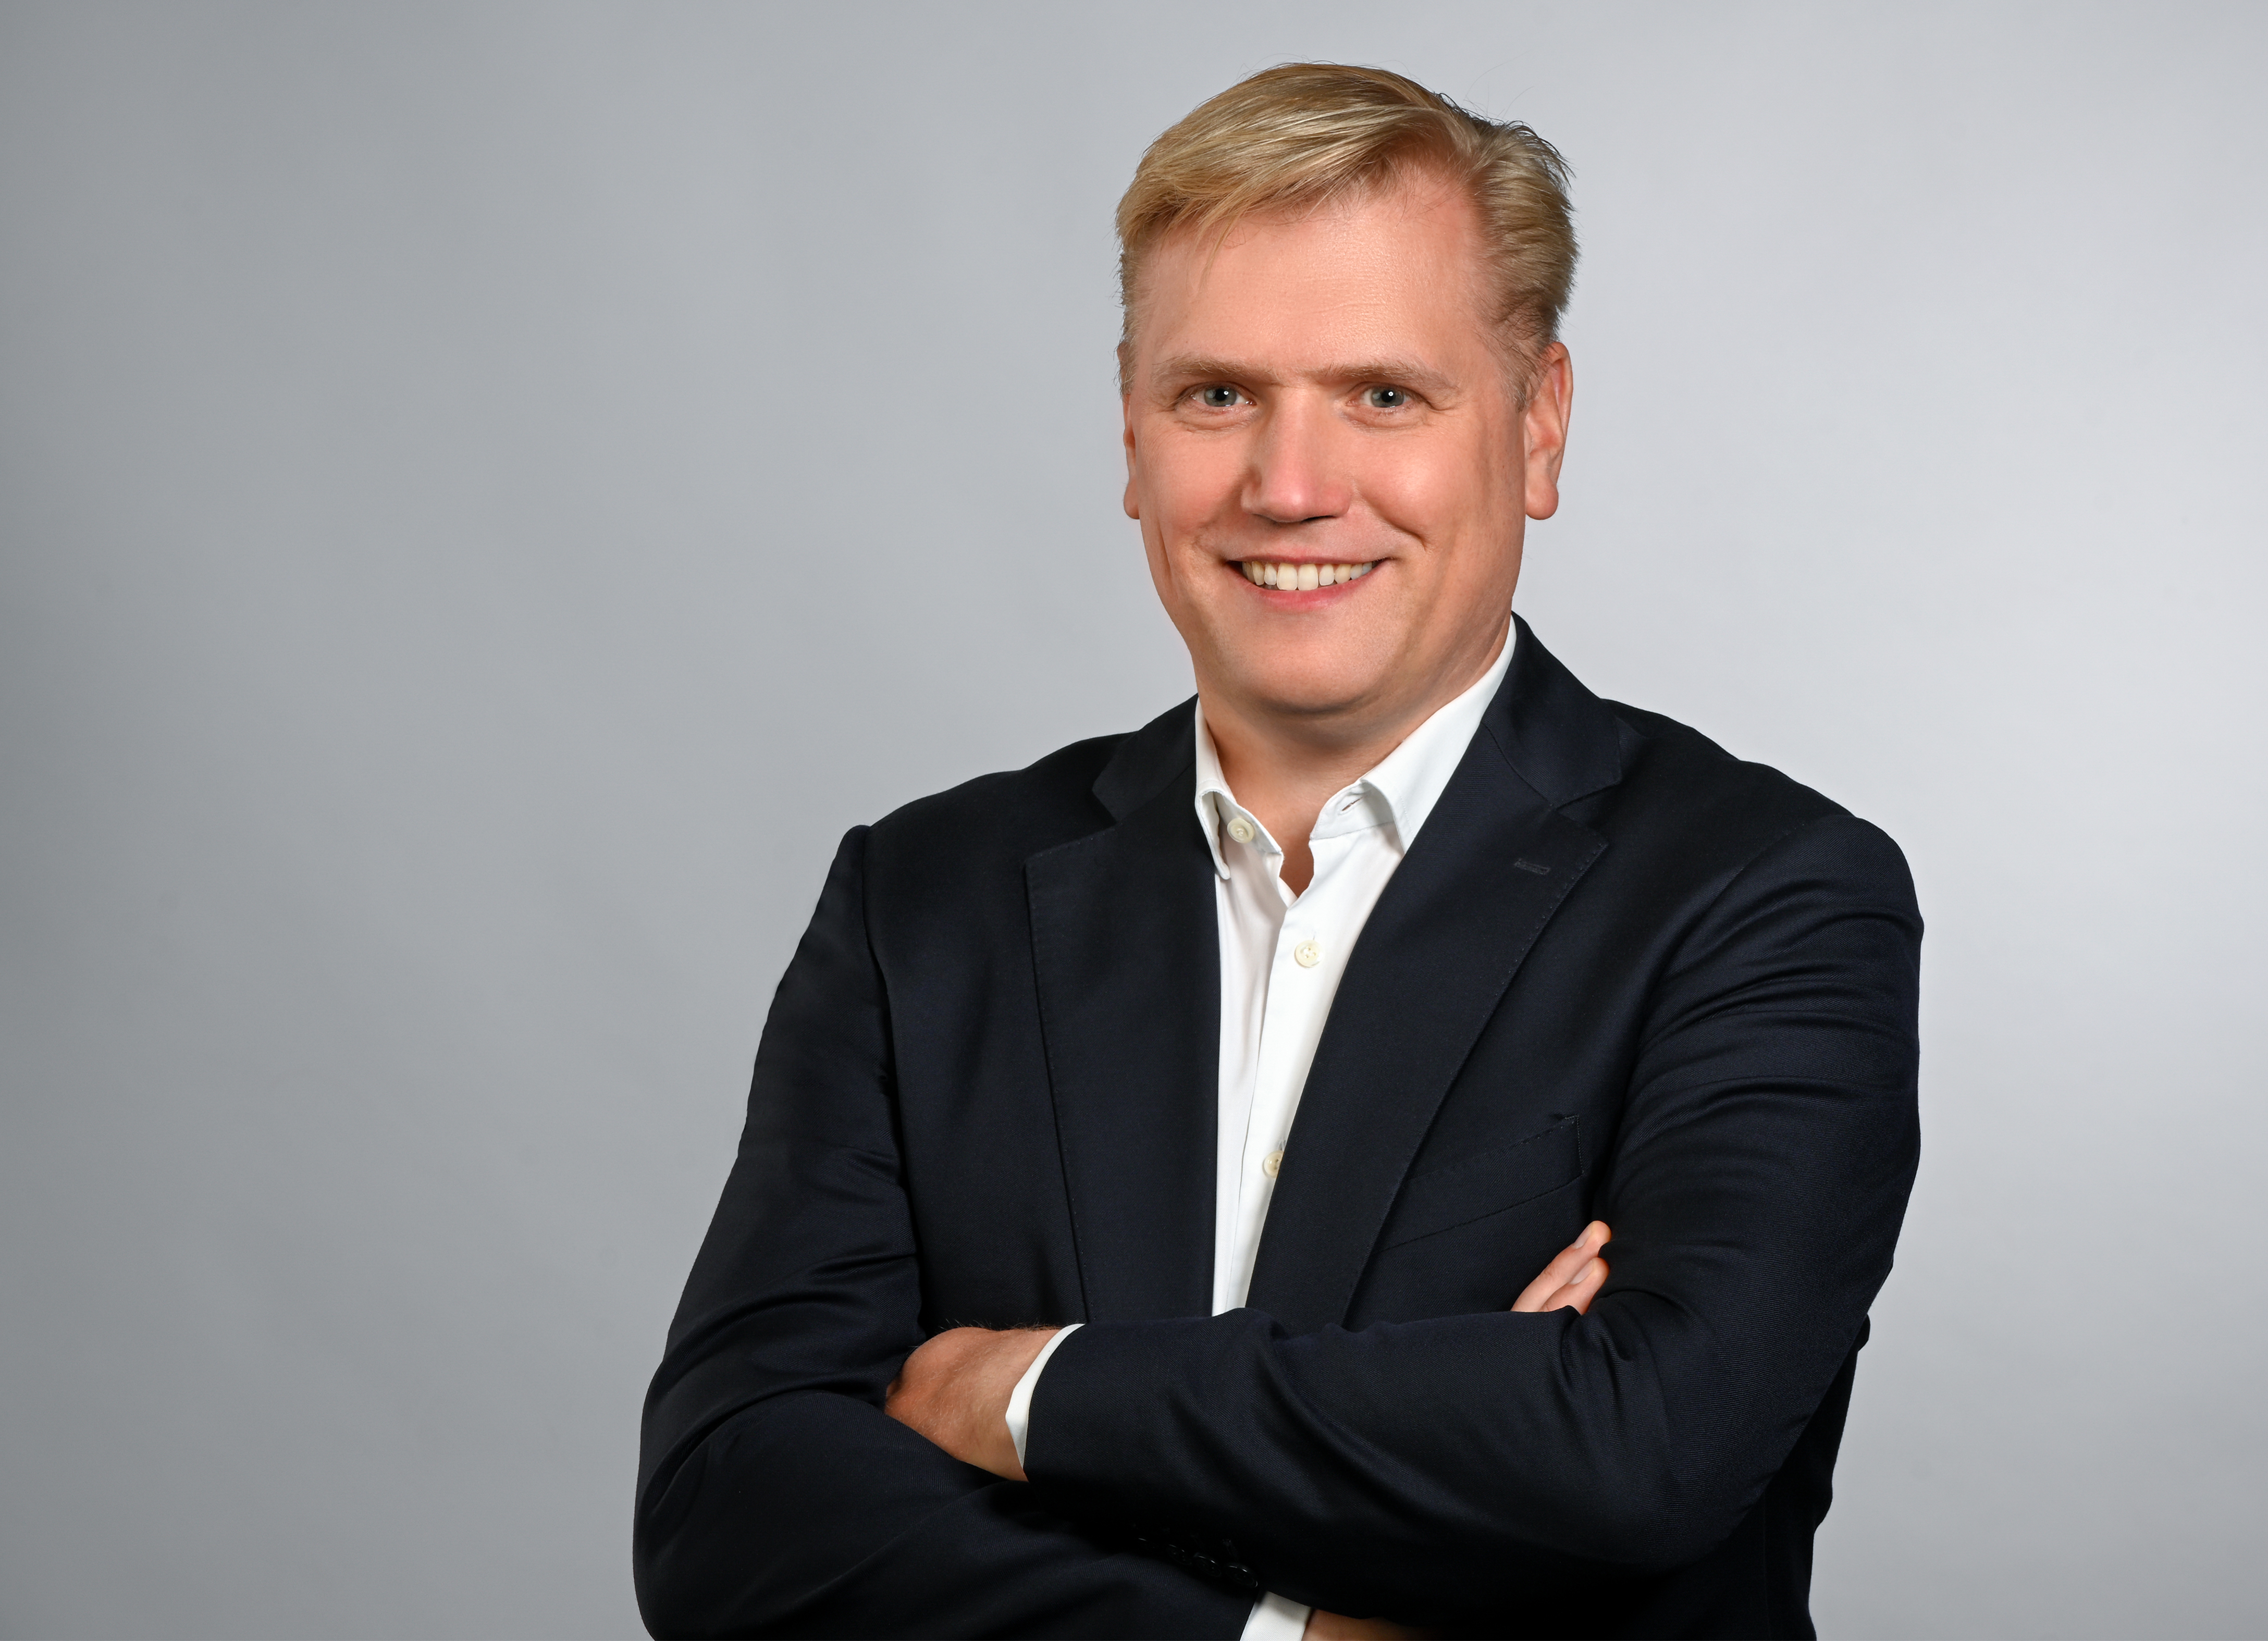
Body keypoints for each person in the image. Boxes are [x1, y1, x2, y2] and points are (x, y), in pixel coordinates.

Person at [634, 63, 1920, 1640]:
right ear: (1130, 432)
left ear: (1537, 427)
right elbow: (726, 1516)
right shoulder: (925, 904)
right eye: (1217, 397)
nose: (1290, 489)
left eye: (1382, 396)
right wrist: (1295, 1627)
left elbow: (1637, 1450)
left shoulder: (1767, 898)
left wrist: (1027, 1392)